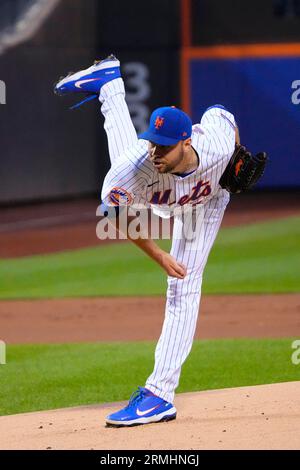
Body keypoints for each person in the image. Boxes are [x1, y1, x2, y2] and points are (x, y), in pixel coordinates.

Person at [54, 54, 240, 427]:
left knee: (183, 287)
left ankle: (159, 395)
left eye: (165, 146)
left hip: (203, 206)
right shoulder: (138, 166)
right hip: (153, 199)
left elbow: (222, 114)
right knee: (128, 170)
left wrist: (237, 155)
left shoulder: (216, 147)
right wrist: (157, 254)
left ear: (186, 142)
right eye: (153, 142)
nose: (156, 152)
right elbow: (114, 213)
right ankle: (109, 86)